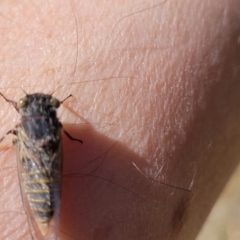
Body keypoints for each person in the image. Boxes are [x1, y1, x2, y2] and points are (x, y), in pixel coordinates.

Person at [0, 0, 239, 239]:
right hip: (47, 171)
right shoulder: (55, 126)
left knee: (22, 159)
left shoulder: (22, 129)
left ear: (23, 116)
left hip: (31, 174)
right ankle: (46, 216)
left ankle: (41, 220)